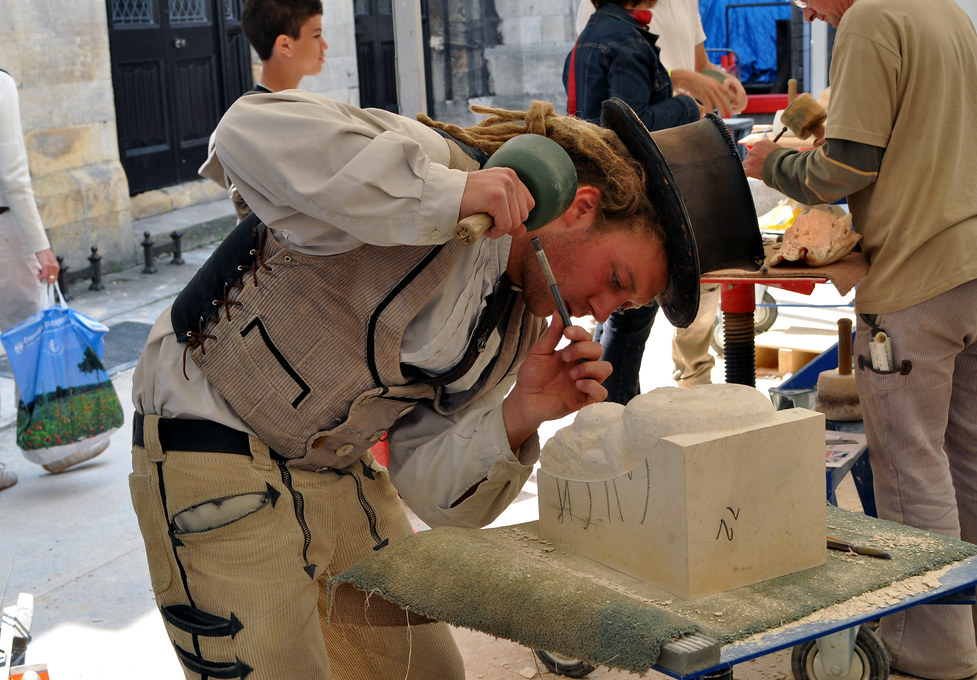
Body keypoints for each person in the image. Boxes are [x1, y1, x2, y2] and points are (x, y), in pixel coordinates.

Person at [129, 93, 701, 679]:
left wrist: (523, 412)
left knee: (426, 672)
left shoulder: (517, 326)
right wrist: (443, 196)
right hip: (210, 441)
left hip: (335, 473)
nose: (601, 311)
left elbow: (426, 486)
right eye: (615, 279)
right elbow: (244, 132)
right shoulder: (437, 165)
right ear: (580, 207)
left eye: (624, 304)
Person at [743, 0, 977, 677]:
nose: (808, 14)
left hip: (921, 276)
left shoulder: (869, 19)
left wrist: (771, 161)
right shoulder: (944, 11)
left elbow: (845, 170)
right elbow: (957, 128)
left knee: (911, 460)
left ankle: (929, 648)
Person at [565, 0, 745, 402]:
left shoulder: (599, 35)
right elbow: (631, 122)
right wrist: (687, 106)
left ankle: (607, 412)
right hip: (630, 200)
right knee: (631, 313)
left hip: (609, 192)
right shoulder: (625, 41)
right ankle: (614, 417)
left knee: (617, 314)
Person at [0, 69, 107, 484]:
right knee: (30, 335)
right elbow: (12, 176)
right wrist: (41, 246)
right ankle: (53, 443)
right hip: (5, 233)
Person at [203, 0, 328, 221]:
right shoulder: (247, 124)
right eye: (316, 35)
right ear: (285, 45)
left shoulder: (300, 108)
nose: (324, 45)